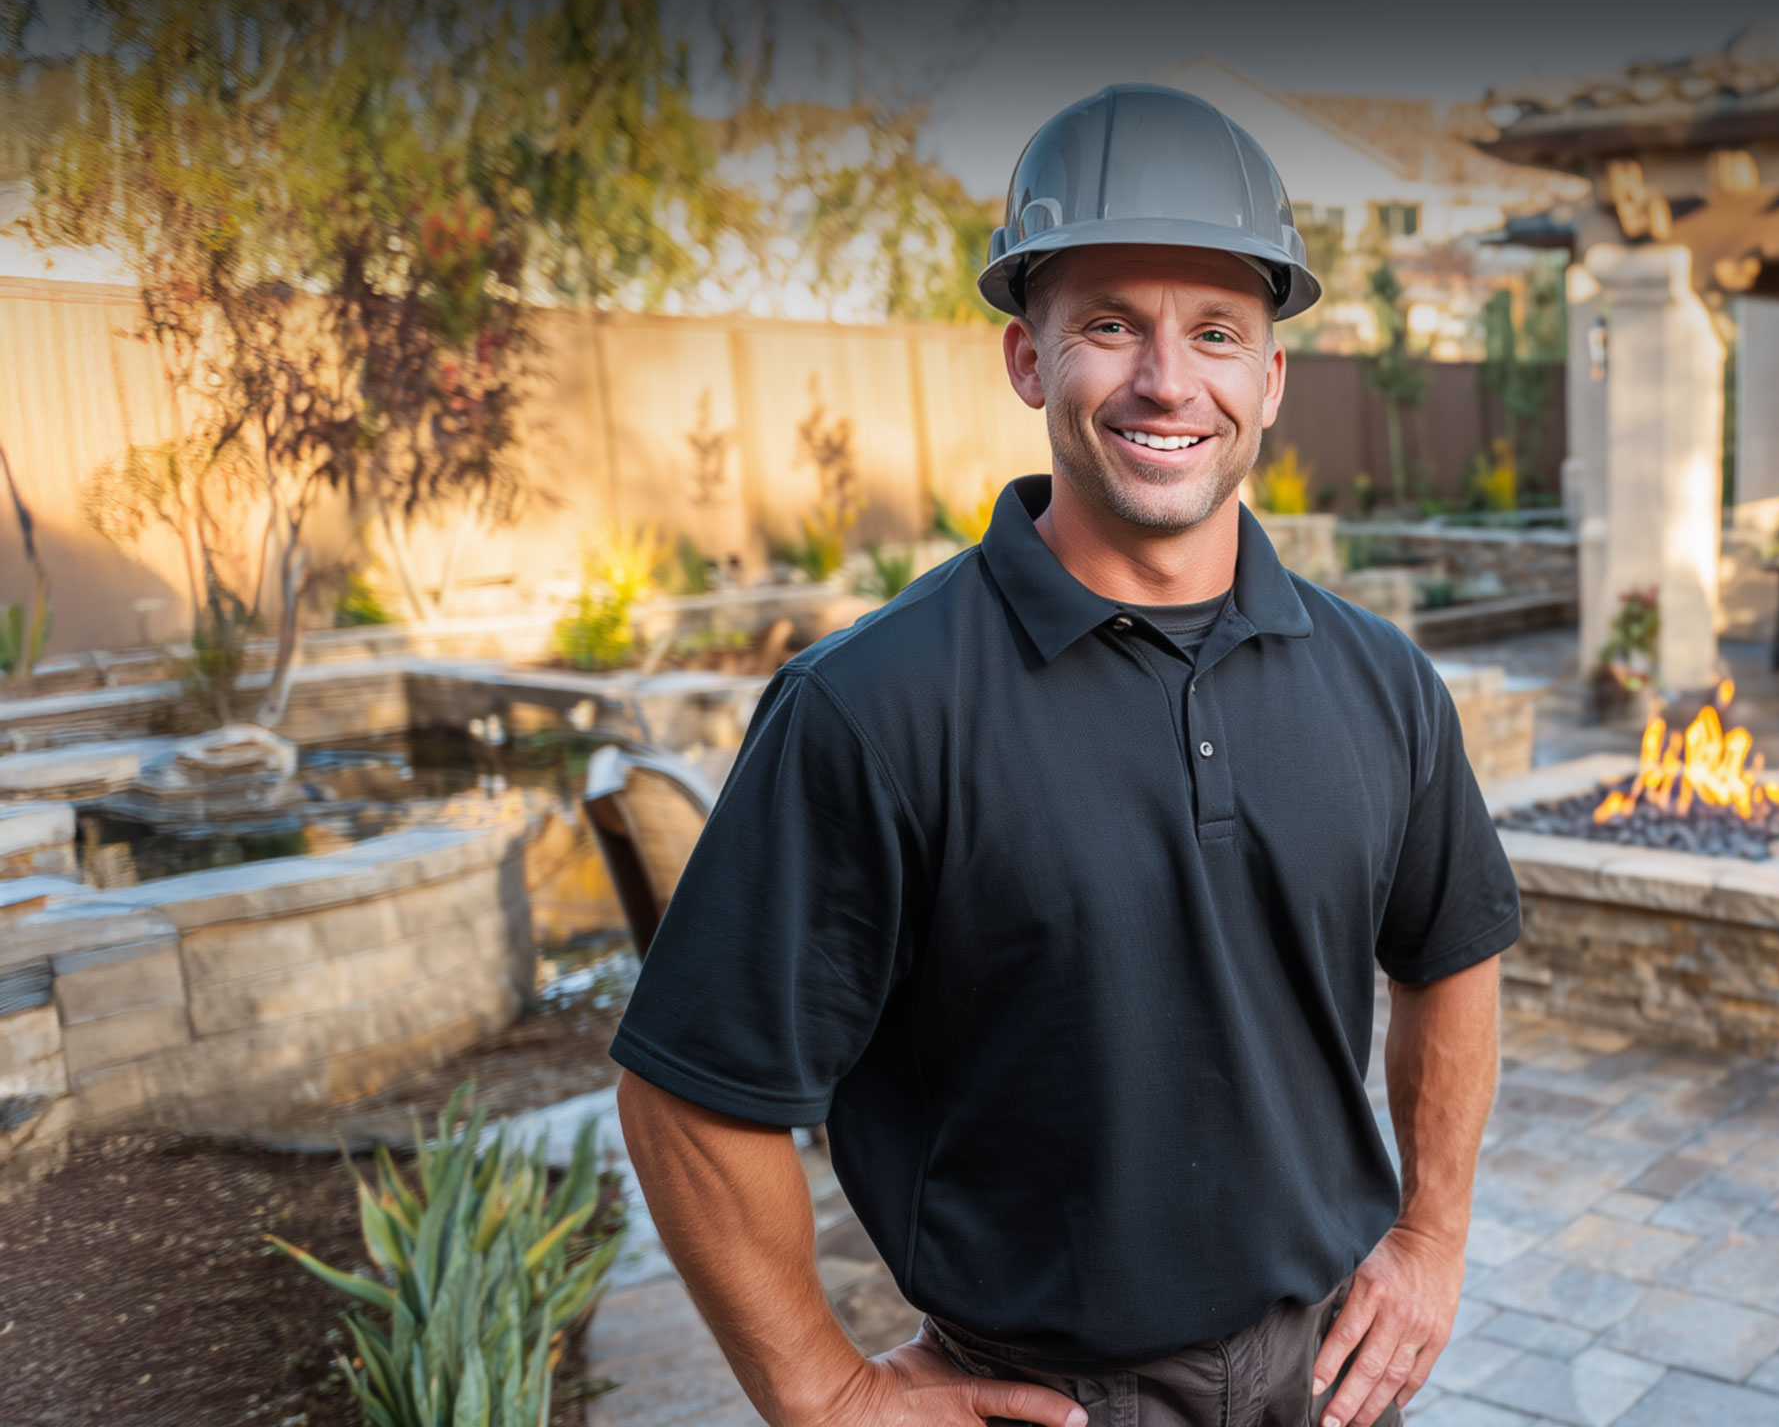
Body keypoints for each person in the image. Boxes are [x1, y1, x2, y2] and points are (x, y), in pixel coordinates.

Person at [612, 83, 1518, 1427]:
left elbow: (1451, 954)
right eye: (1110, 325)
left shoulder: (1381, 682)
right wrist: (824, 1394)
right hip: (1048, 1403)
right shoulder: (873, 704)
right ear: (1030, 361)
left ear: (1269, 379)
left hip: (1332, 1382)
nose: (1168, 379)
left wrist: (1432, 1242)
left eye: (1217, 331)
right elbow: (690, 1093)